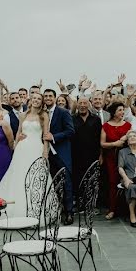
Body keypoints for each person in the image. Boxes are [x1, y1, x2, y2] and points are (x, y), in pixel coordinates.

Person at [0, 93, 49, 218]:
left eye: (39, 99)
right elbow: (19, 131)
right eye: (34, 98)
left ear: (41, 102)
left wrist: (45, 151)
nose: (36, 100)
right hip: (22, 149)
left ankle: (35, 210)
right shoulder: (23, 115)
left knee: (35, 178)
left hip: (36, 148)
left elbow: (46, 134)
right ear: (30, 101)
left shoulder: (43, 115)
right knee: (19, 176)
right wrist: (16, 141)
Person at [43, 88, 76, 223]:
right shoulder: (42, 113)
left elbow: (70, 131)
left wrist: (54, 137)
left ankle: (69, 212)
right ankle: (56, 210)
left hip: (61, 153)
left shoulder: (63, 112)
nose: (48, 98)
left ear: (55, 98)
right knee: (52, 183)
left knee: (66, 183)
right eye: (46, 96)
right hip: (46, 153)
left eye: (50, 96)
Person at [100, 103, 131, 220]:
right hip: (111, 158)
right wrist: (114, 144)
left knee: (126, 181)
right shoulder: (106, 126)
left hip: (125, 158)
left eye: (123, 110)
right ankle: (112, 209)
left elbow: (133, 139)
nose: (122, 112)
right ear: (114, 112)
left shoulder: (128, 125)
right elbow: (102, 143)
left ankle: (128, 208)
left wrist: (125, 138)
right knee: (113, 182)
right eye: (120, 110)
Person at [72, 96, 102, 194]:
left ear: (89, 104)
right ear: (77, 105)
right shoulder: (72, 119)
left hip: (93, 155)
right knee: (78, 179)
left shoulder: (96, 119)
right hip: (76, 155)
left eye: (85, 103)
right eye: (80, 103)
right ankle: (79, 203)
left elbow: (100, 138)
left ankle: (91, 203)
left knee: (92, 178)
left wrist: (101, 154)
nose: (82, 105)